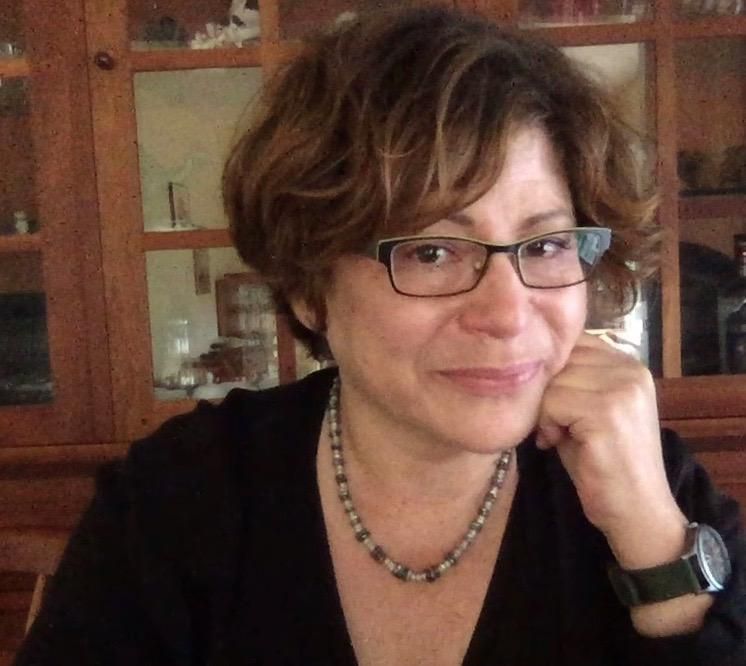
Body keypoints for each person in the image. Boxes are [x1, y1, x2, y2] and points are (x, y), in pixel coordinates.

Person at [15, 6, 745, 666]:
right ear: (309, 286)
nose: (508, 313)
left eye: (547, 244)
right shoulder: (181, 500)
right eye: (431, 251)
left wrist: (654, 547)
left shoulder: (650, 480)